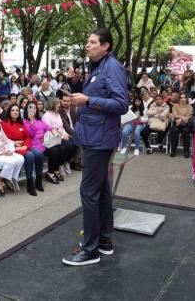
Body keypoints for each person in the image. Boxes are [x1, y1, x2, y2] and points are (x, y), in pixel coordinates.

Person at [63, 28, 129, 266]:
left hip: (99, 140)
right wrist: (77, 85)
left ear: (106, 46)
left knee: (89, 193)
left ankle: (90, 250)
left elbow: (121, 104)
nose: (87, 45)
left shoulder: (112, 68)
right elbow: (99, 90)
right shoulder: (98, 67)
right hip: (94, 136)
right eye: (87, 41)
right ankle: (104, 241)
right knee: (100, 190)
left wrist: (88, 100)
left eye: (92, 42)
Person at [1, 104, 43, 196]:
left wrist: (26, 146)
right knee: (30, 156)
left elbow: (27, 137)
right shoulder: (4, 123)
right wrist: (15, 145)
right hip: (12, 147)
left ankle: (38, 181)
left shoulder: (21, 123)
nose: (15, 112)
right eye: (13, 110)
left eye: (17, 110)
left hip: (24, 146)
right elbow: (3, 139)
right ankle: (30, 183)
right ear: (9, 112)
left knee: (39, 154)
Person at [24, 102, 61, 187]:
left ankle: (51, 172)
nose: (32, 110)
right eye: (30, 108)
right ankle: (45, 176)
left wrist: (53, 131)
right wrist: (31, 122)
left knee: (58, 148)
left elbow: (48, 127)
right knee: (53, 151)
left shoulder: (40, 121)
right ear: (27, 110)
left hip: (44, 144)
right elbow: (30, 134)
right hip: (33, 145)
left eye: (34, 108)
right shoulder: (25, 122)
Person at [170, 93, 193, 158]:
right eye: (181, 98)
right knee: (175, 131)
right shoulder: (175, 106)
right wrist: (182, 118)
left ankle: (186, 151)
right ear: (179, 99)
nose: (183, 99)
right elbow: (175, 115)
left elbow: (189, 116)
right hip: (177, 123)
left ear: (186, 99)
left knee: (186, 131)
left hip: (185, 124)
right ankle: (173, 150)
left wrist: (180, 119)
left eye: (184, 97)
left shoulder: (190, 107)